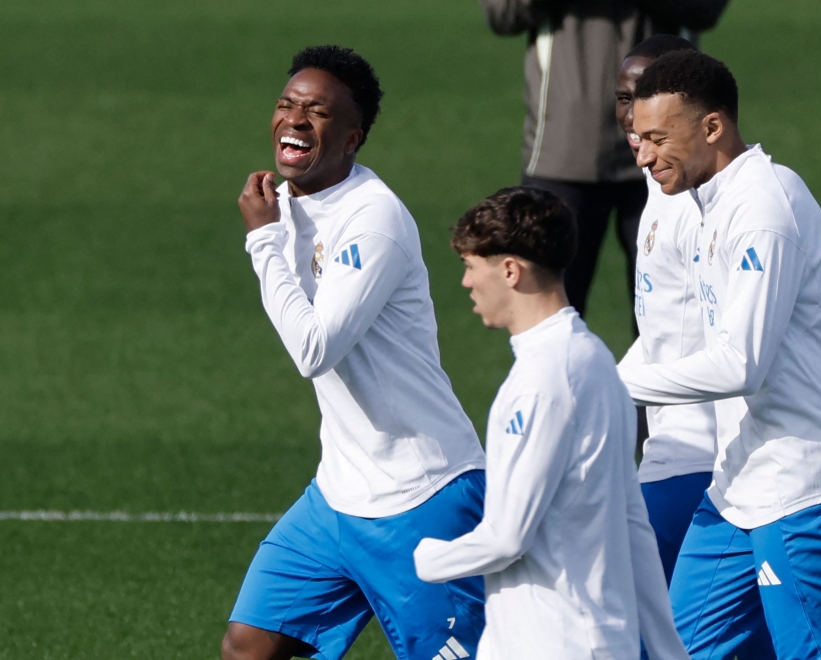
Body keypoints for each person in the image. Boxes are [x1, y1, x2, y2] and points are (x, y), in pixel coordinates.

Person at [618, 50, 821, 659]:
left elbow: (740, 364)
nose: (640, 154)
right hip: (740, 481)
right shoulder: (707, 203)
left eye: (657, 138)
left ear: (711, 127)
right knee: (682, 649)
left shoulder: (763, 207)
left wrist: (611, 385)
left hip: (807, 476)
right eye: (638, 138)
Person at [223, 45, 487, 660]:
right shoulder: (288, 204)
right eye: (287, 104)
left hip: (420, 494)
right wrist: (273, 229)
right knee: (248, 646)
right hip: (336, 495)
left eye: (315, 112)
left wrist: (263, 242)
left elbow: (315, 348)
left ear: (350, 138)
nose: (294, 119)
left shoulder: (374, 219)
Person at [413, 187, 690, 660]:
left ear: (509, 270)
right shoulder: (595, 362)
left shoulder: (544, 380)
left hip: (553, 640)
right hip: (593, 640)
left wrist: (424, 558)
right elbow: (632, 526)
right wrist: (670, 652)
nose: (465, 283)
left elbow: (507, 537)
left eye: (471, 267)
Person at [478, 0, 728, 323]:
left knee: (676, 325)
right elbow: (502, 12)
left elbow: (706, 8)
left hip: (668, 150)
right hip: (564, 152)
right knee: (549, 325)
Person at [614, 34, 716, 588]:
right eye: (625, 98)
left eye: (649, 99)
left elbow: (744, 347)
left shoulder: (699, 209)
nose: (633, 117)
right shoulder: (661, 193)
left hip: (700, 462)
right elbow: (665, 329)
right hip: (672, 454)